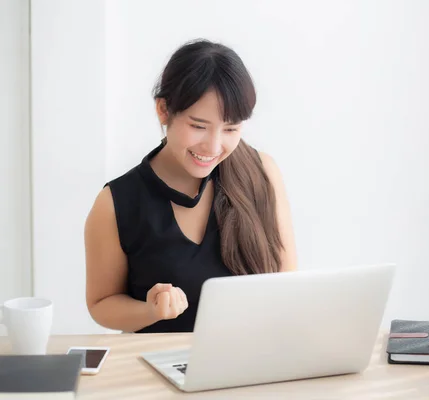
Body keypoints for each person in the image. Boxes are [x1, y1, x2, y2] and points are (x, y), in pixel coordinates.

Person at [84, 39, 297, 333]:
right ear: (163, 110)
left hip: (252, 361)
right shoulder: (115, 202)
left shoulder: (262, 172)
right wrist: (150, 310)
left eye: (231, 129)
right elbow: (101, 303)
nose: (213, 146)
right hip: (160, 366)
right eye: (198, 126)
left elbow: (288, 283)